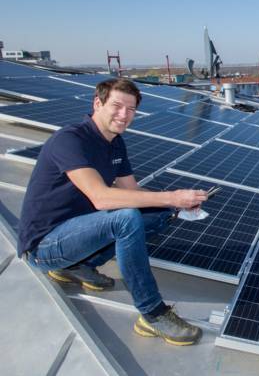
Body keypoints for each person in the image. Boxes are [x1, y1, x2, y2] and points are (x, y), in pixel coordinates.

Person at [17, 78, 208, 346]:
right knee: (126, 218)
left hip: (77, 232)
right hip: (44, 246)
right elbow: (101, 198)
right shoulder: (71, 140)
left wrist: (175, 203)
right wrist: (171, 196)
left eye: (131, 110)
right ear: (98, 103)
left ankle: (78, 266)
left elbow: (132, 191)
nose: (124, 115)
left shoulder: (115, 143)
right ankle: (152, 313)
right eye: (117, 106)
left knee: (159, 213)